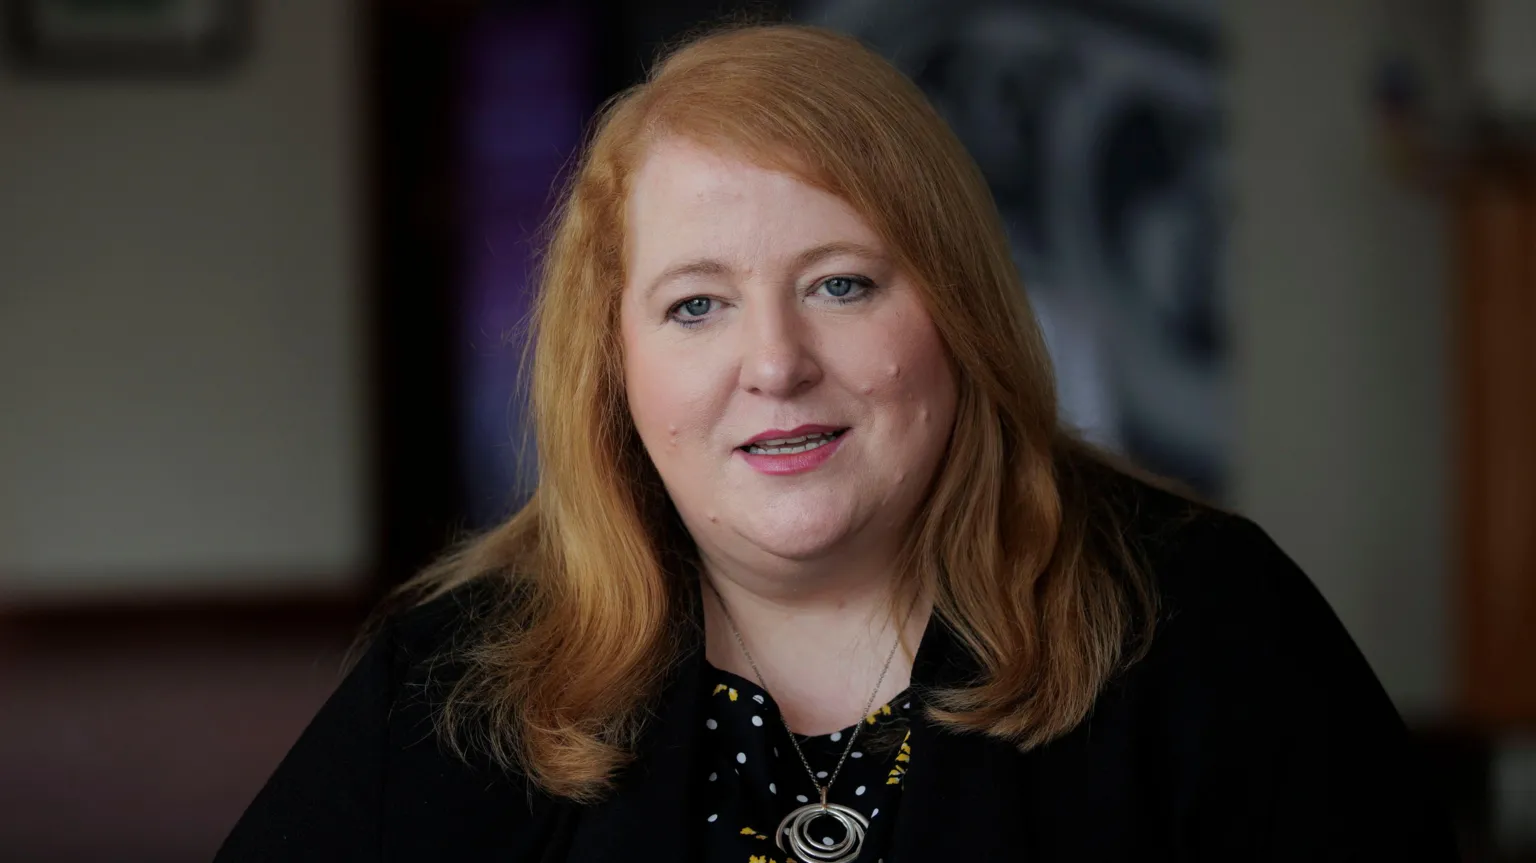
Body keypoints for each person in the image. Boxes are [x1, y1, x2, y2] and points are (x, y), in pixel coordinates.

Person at [216, 23, 1457, 862]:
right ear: (616, 364)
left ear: (956, 312)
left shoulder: (1210, 621)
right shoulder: (456, 679)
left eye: (844, 284)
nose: (774, 363)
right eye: (696, 303)